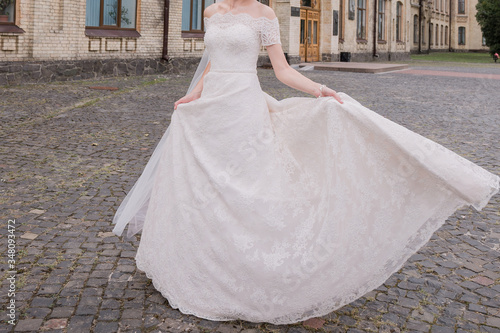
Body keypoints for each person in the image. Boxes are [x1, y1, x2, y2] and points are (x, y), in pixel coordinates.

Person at [112, 0, 500, 325]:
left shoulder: (264, 14)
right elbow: (212, 63)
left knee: (249, 184)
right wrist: (191, 96)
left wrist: (319, 89)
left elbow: (280, 70)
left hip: (244, 106)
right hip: (211, 108)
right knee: (204, 186)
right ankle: (200, 264)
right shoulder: (212, 11)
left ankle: (256, 271)